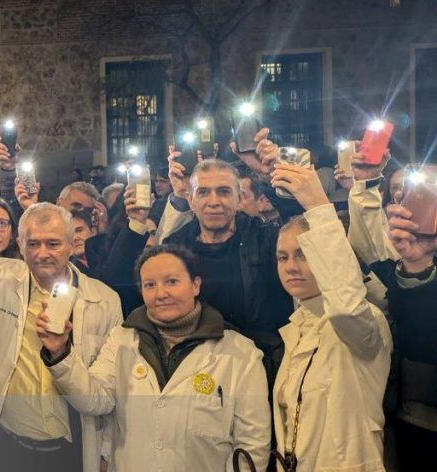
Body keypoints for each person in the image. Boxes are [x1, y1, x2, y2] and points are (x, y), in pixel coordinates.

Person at [0, 189, 122, 472]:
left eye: (53, 243)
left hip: (70, 453)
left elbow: (103, 399)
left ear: (72, 243)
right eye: (33, 244)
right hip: (7, 446)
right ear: (19, 244)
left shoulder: (104, 301)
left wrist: (60, 356)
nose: (42, 254)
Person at [38, 244, 271, 471]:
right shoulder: (122, 339)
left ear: (195, 285)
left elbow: (253, 443)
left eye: (172, 282)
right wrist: (60, 354)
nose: (161, 294)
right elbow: (95, 399)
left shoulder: (240, 353)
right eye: (150, 285)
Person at [269, 161, 392, 471]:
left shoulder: (364, 321)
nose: (291, 266)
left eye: (303, 254)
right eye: (283, 257)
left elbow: (345, 304)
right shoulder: (296, 328)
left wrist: (319, 207)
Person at [143, 156, 292, 378]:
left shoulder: (267, 239)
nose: (214, 201)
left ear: (239, 198)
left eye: (223, 191)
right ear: (191, 200)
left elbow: (305, 238)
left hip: (266, 364)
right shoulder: (175, 247)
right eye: (203, 192)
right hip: (196, 369)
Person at [345, 152, 437, 468]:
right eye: (397, 190)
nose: (405, 197)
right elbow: (420, 334)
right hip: (421, 416)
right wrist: (418, 264)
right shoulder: (406, 259)